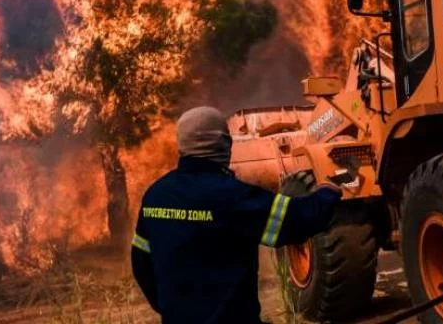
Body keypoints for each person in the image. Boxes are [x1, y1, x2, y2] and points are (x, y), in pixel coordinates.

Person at [131, 106, 342, 323]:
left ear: (181, 145)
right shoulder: (233, 196)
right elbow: (297, 220)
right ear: (225, 144)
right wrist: (329, 190)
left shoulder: (155, 196)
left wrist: (168, 308)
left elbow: (140, 264)